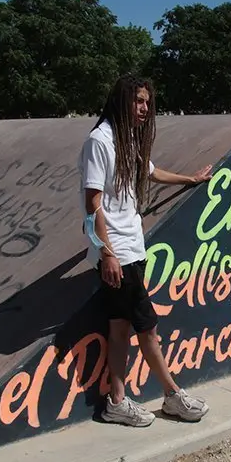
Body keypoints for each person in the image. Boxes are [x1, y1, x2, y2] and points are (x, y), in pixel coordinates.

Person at [79, 74, 214, 427]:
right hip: (119, 255)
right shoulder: (100, 141)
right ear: (121, 101)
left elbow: (150, 172)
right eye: (138, 101)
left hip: (130, 249)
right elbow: (92, 202)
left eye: (147, 102)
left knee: (120, 328)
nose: (144, 108)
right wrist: (106, 252)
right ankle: (172, 395)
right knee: (148, 327)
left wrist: (191, 179)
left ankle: (116, 402)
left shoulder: (128, 141)